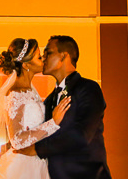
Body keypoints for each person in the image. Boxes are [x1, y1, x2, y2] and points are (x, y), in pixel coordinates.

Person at [15, 35, 111, 179]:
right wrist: (15, 144)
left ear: (63, 56)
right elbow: (41, 132)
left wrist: (36, 149)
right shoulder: (49, 100)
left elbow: (82, 135)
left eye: (48, 53)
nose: (43, 57)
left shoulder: (88, 88)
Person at [0, 37, 72, 179]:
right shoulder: (16, 94)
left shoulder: (30, 91)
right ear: (26, 64)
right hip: (23, 168)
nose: (44, 59)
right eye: (39, 57)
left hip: (37, 161)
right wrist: (53, 123)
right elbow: (17, 140)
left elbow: (27, 131)